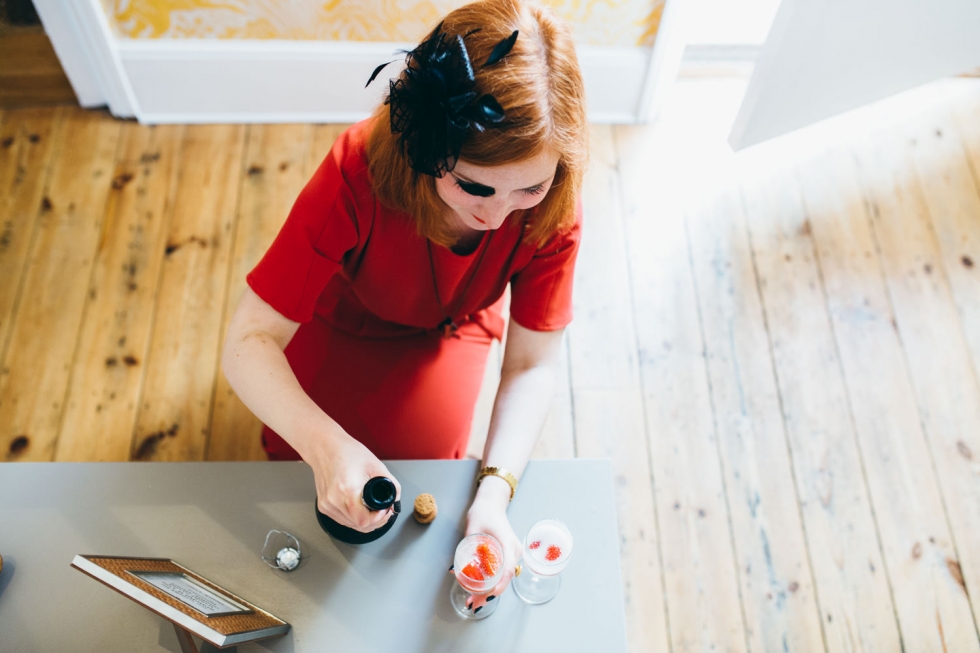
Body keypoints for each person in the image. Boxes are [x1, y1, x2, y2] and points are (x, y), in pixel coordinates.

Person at [221, 0, 587, 605]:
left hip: (453, 329)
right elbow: (247, 340)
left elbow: (531, 363)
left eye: (530, 187)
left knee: (430, 470)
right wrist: (323, 443)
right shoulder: (354, 171)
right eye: (473, 185)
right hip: (346, 320)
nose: (498, 217)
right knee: (290, 456)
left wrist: (494, 498)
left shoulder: (554, 210)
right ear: (423, 143)